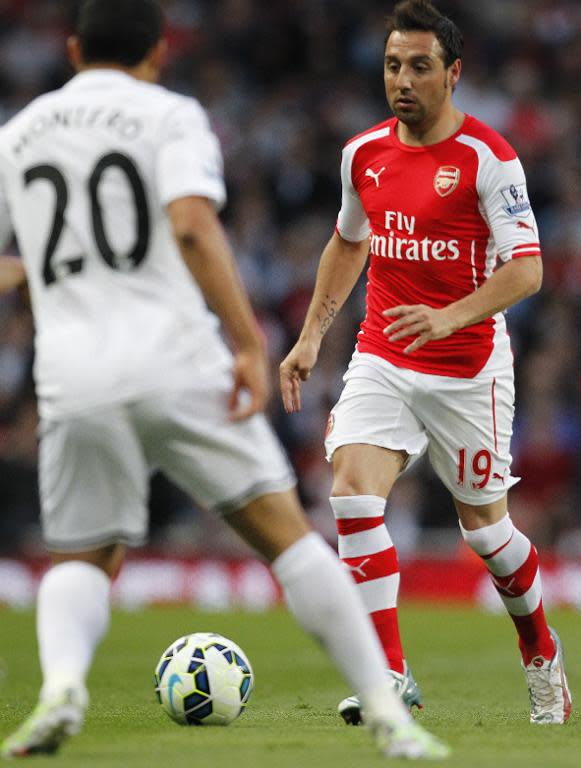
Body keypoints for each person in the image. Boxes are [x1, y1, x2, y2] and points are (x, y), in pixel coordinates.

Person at [0, 0, 449, 760]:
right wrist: (247, 343)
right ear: (158, 51)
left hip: (72, 370)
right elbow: (190, 224)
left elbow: (24, 261)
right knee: (288, 539)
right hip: (174, 356)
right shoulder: (169, 116)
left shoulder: (18, 134)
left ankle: (62, 687)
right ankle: (387, 713)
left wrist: (41, 280)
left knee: (81, 554)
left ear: (73, 48)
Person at [280, 0, 571, 728]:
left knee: (486, 537)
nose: (401, 80)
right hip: (381, 353)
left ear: (452, 74)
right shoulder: (363, 154)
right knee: (349, 490)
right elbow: (349, 243)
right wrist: (313, 335)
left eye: (417, 67)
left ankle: (538, 649)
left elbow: (527, 270)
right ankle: (389, 673)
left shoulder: (487, 158)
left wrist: (446, 315)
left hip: (467, 369)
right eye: (390, 66)